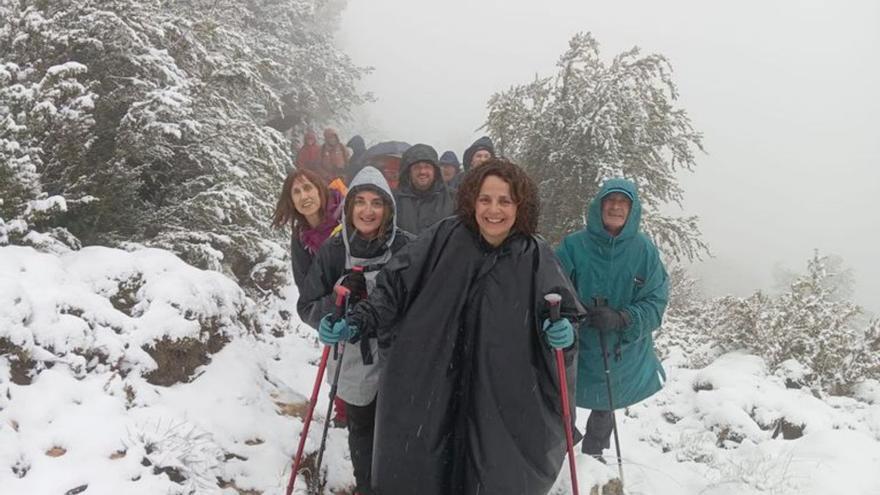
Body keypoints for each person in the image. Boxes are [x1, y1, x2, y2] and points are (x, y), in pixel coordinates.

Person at [323, 159, 585, 494]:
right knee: (423, 472)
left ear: (521, 206)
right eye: (485, 199)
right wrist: (357, 320)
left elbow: (566, 316)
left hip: (501, 397)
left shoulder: (535, 256)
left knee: (492, 475)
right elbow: (393, 289)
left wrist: (563, 333)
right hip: (431, 384)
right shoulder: (445, 238)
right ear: (472, 201)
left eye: (505, 201)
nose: (494, 210)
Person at [297, 166, 412, 495]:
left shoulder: (408, 247)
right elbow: (307, 304)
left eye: (377, 203)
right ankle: (367, 488)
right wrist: (331, 312)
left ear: (388, 208)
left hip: (398, 356)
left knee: (399, 431)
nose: (368, 210)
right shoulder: (334, 250)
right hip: (353, 356)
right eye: (359, 202)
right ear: (348, 208)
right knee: (362, 430)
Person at [555, 178, 669, 462]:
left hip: (619, 347)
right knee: (559, 398)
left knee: (606, 402)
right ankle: (562, 448)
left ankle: (595, 453)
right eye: (611, 201)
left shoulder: (645, 251)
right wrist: (569, 318)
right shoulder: (572, 246)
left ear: (633, 210)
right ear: (599, 206)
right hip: (576, 344)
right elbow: (551, 288)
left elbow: (656, 301)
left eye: (623, 203)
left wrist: (623, 318)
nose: (616, 207)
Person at [271, 168, 348, 424]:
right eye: (296, 191)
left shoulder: (347, 218)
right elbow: (306, 290)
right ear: (291, 201)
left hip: (364, 307)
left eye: (308, 188)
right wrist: (327, 313)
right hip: (333, 313)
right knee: (341, 370)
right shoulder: (301, 238)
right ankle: (345, 415)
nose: (304, 195)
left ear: (320, 189)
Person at [394, 143, 455, 235]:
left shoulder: (453, 198)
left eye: (427, 167)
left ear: (435, 171)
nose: (422, 171)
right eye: (417, 167)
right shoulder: (394, 200)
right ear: (408, 172)